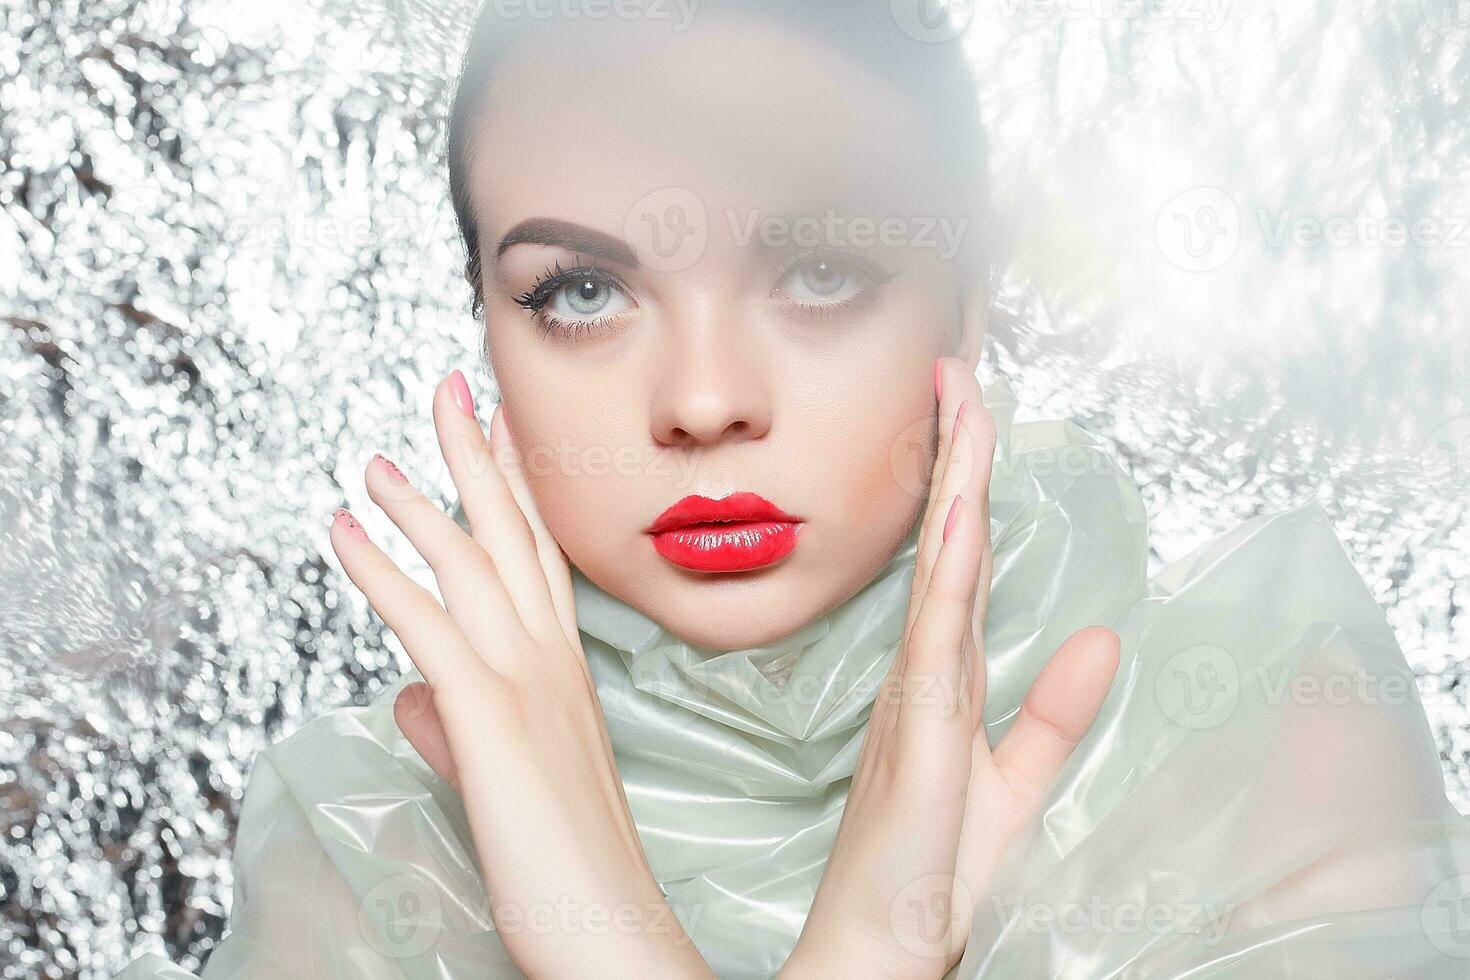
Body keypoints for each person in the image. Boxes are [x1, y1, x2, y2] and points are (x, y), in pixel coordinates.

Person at [118, 2, 1470, 977]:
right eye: (580, 292)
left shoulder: (1263, 737)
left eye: (821, 270)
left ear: (965, 316)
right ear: (487, 329)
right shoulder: (362, 843)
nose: (703, 401)